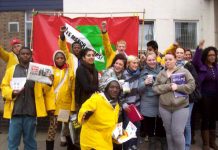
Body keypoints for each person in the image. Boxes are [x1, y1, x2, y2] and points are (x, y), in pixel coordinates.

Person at [1, 47, 55, 150]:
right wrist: (12, 92)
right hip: (15, 112)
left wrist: (49, 83)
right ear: (19, 55)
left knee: (30, 143)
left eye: (27, 54)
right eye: (23, 54)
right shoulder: (11, 70)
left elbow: (45, 90)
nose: (25, 55)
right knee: (12, 143)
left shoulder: (37, 71)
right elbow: (4, 86)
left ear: (31, 56)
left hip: (31, 113)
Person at [153, 52, 195, 150]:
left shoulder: (184, 71)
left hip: (180, 107)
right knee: (169, 133)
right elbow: (155, 88)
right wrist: (168, 87)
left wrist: (178, 87)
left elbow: (192, 86)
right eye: (166, 60)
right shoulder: (161, 73)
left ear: (175, 60)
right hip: (164, 108)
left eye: (170, 59)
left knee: (177, 133)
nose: (167, 62)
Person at [78, 78, 121, 150]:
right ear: (106, 88)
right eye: (112, 87)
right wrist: (85, 114)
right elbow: (83, 109)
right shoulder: (96, 99)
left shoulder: (116, 105)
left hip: (105, 141)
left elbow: (113, 123)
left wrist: (120, 133)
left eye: (117, 88)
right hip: (92, 142)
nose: (115, 90)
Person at [46, 49, 76, 150]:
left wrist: (72, 106)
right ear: (54, 59)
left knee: (67, 129)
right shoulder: (50, 70)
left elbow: (72, 90)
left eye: (62, 58)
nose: (60, 60)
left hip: (65, 106)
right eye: (57, 58)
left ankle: (71, 147)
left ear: (65, 59)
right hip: (54, 106)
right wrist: (50, 106)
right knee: (52, 130)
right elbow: (47, 91)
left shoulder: (70, 71)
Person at [192, 40, 218, 150]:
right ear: (206, 56)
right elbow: (195, 60)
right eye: (210, 55)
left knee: (213, 119)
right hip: (204, 97)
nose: (212, 57)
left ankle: (213, 142)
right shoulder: (202, 66)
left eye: (214, 55)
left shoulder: (216, 67)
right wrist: (199, 48)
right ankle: (206, 144)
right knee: (206, 119)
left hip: (215, 97)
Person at [138, 51, 167, 150]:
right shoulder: (142, 71)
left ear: (156, 59)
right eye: (149, 60)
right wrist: (144, 83)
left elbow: (167, 85)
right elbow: (139, 89)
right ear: (146, 61)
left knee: (161, 122)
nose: (151, 62)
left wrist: (157, 83)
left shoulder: (163, 70)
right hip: (148, 101)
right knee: (149, 123)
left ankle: (163, 142)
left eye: (153, 59)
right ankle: (152, 142)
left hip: (161, 100)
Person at [174, 47, 200, 150]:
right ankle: (177, 145)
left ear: (184, 54)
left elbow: (195, 81)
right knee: (176, 124)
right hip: (175, 99)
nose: (179, 54)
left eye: (181, 53)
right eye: (178, 53)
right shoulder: (172, 63)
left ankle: (186, 146)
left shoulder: (189, 65)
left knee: (186, 123)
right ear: (175, 54)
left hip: (188, 98)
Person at [59, 26, 79, 147]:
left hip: (78, 91)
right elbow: (62, 47)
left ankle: (74, 138)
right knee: (64, 115)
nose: (76, 49)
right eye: (75, 47)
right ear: (72, 49)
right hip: (68, 89)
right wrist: (62, 35)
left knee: (75, 116)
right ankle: (63, 136)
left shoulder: (84, 58)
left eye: (78, 47)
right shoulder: (69, 56)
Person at [122, 55, 141, 150]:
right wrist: (123, 104)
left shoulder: (139, 73)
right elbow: (119, 93)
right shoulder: (124, 75)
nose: (136, 65)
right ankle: (126, 147)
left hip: (137, 105)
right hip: (128, 106)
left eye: (137, 63)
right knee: (128, 128)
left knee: (136, 127)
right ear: (128, 63)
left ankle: (133, 146)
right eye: (134, 63)